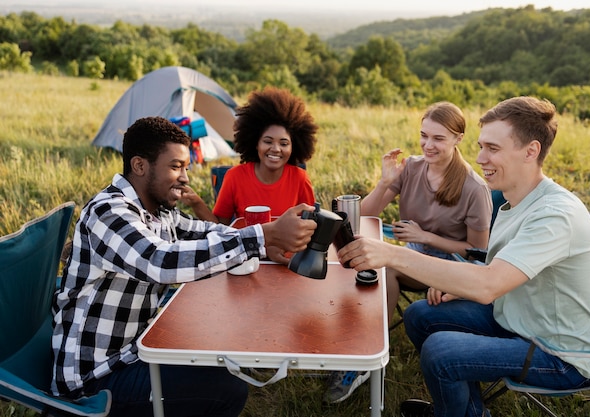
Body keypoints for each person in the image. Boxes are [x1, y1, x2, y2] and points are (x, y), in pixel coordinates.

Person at [337, 96, 590, 417]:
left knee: (441, 351)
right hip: (513, 317)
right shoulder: (514, 200)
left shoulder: (555, 214)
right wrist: (456, 284)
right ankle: (464, 410)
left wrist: (390, 254)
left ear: (530, 151)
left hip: (556, 353)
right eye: (480, 146)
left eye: (492, 148)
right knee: (420, 315)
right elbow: (494, 266)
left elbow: (488, 285)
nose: (479, 158)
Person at [51, 116, 317, 417]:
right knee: (227, 391)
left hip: (138, 348)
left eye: (186, 167)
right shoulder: (109, 213)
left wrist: (268, 239)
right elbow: (161, 261)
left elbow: (205, 232)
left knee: (214, 345)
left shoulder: (157, 211)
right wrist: (260, 237)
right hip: (96, 376)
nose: (185, 178)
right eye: (176, 166)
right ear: (140, 166)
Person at [361, 101, 492, 324]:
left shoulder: (474, 188)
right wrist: (384, 183)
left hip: (452, 265)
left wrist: (425, 237)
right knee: (369, 258)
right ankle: (365, 330)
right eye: (424, 136)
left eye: (438, 138)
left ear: (458, 138)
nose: (428, 145)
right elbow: (364, 215)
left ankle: (377, 342)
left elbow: (477, 251)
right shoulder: (411, 167)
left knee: (387, 267)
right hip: (414, 255)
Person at [182, 86, 317, 264]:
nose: (275, 149)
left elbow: (312, 226)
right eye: (268, 141)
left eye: (284, 143)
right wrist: (196, 202)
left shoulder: (300, 178)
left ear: (294, 147)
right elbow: (219, 227)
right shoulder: (235, 177)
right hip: (246, 261)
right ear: (255, 143)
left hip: (286, 263)